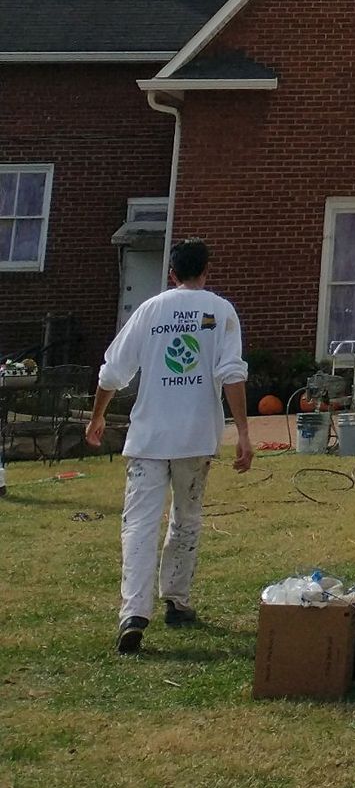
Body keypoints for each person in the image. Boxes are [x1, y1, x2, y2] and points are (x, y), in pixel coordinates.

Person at [86, 237, 252, 652]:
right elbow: (232, 373)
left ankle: (133, 613)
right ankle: (177, 600)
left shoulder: (150, 310)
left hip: (148, 437)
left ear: (172, 273)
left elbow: (113, 371)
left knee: (138, 524)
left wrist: (98, 415)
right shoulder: (220, 310)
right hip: (195, 437)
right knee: (186, 518)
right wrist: (244, 433)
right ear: (206, 270)